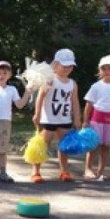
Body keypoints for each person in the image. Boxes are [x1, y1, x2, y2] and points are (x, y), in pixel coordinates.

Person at [31, 48, 81, 183]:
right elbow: (40, 97)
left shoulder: (72, 84)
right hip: (48, 118)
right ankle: (36, 171)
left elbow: (75, 101)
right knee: (42, 145)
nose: (67, 68)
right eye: (64, 65)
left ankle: (64, 171)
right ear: (55, 65)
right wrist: (37, 114)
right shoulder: (50, 80)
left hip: (64, 119)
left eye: (70, 65)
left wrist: (77, 118)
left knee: (64, 146)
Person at [0, 61, 33, 183]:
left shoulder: (12, 89)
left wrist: (27, 93)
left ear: (10, 75)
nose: (1, 75)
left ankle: (2, 173)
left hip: (5, 122)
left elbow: (19, 105)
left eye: (4, 73)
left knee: (2, 149)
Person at [83, 55, 110, 180]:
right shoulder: (96, 86)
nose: (107, 71)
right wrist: (85, 120)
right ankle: (88, 169)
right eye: (104, 68)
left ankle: (100, 171)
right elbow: (89, 104)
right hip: (96, 120)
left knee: (106, 147)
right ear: (100, 70)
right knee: (93, 145)